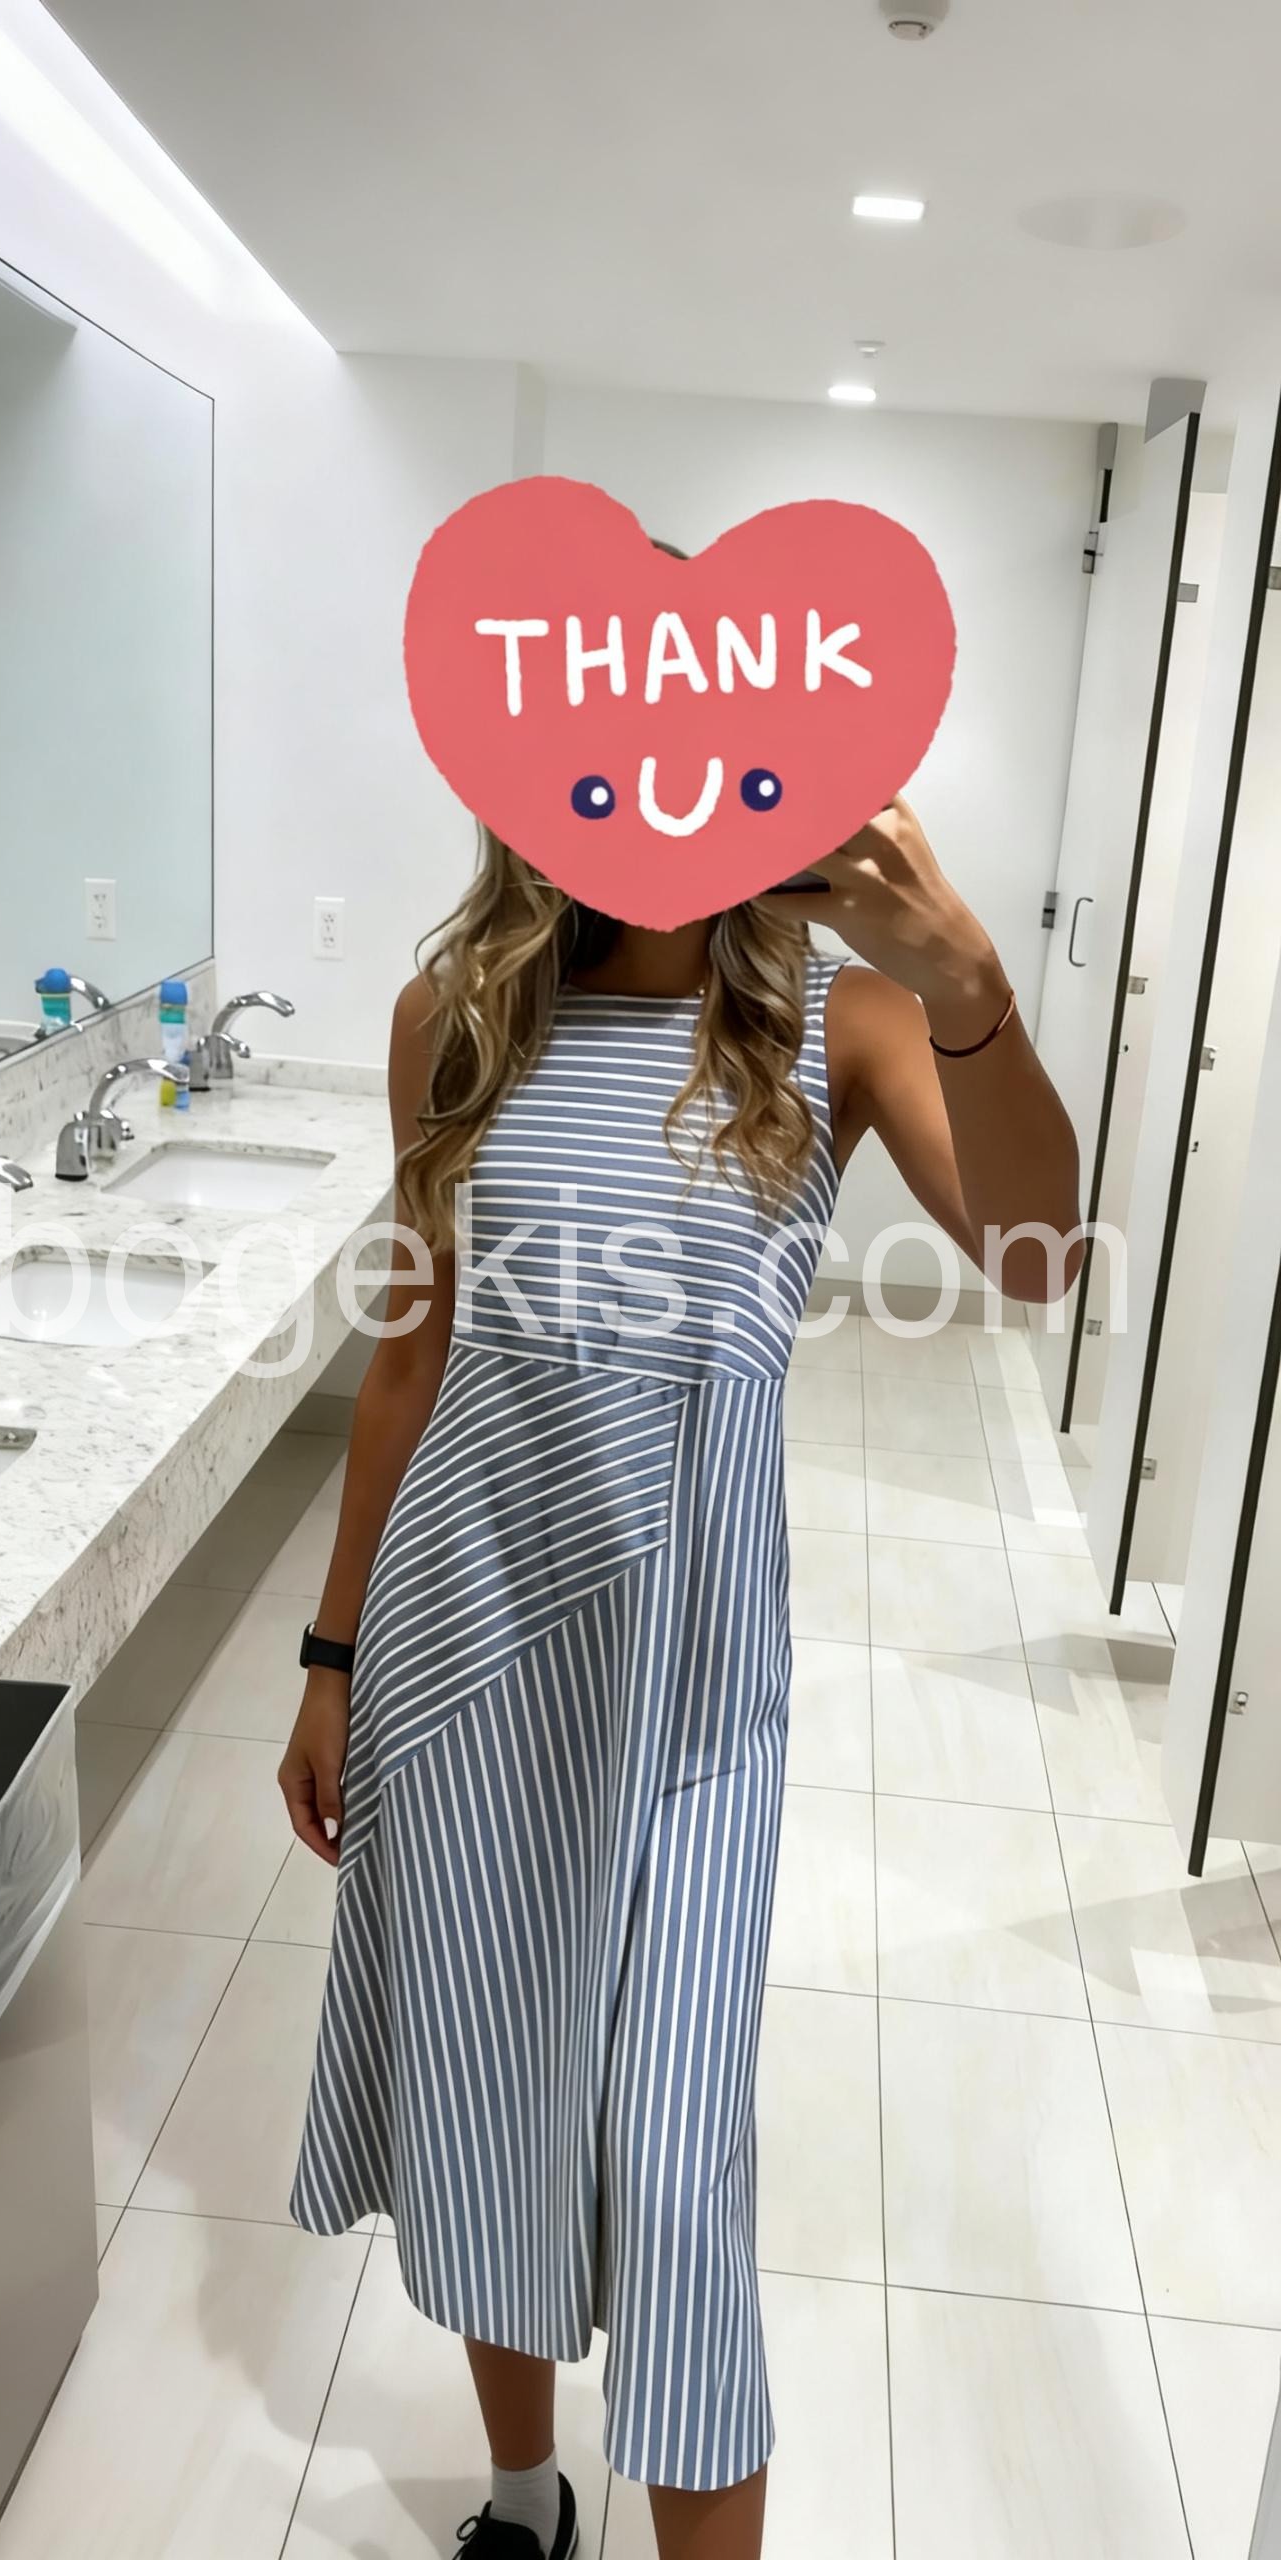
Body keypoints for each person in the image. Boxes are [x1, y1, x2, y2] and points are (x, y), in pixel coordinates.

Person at [280, 792, 1081, 2560]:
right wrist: (332, 1658)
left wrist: (972, 986)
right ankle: (523, 2505)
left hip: (697, 1698)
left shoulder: (843, 1020)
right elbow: (409, 1359)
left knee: (671, 2171)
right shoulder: (455, 1018)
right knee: (492, 2093)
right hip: (462, 1661)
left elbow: (1041, 1259)